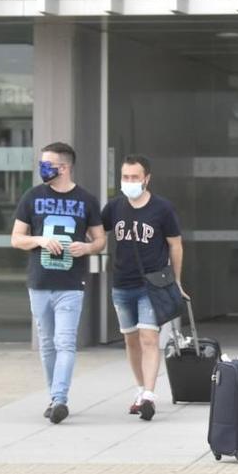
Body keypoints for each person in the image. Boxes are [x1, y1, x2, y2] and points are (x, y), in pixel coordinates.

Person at [10, 142, 105, 425]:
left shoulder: (86, 200)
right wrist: (39, 240)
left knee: (65, 342)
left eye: (47, 164)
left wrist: (87, 248)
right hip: (39, 282)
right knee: (48, 343)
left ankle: (60, 399)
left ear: (64, 167)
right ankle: (54, 398)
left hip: (71, 283)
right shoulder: (32, 197)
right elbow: (16, 238)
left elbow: (100, 239)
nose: (42, 169)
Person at [100, 154, 186, 421]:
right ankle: (140, 389)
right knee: (131, 339)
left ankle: (149, 394)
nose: (129, 181)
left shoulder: (162, 208)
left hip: (151, 285)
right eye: (125, 177)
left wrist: (177, 280)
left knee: (149, 338)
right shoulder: (114, 207)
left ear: (146, 178)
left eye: (135, 177)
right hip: (121, 284)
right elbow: (97, 233)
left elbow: (175, 245)